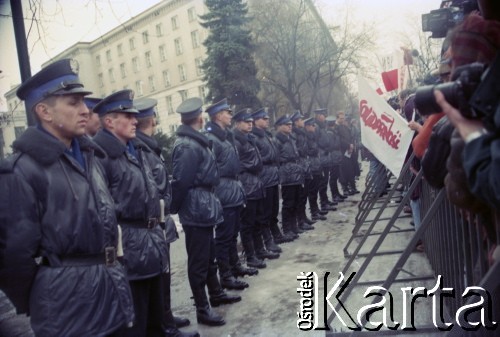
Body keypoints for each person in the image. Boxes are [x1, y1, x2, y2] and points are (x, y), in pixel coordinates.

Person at [0, 59, 134, 336]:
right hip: (66, 307)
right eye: (73, 103)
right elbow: (13, 256)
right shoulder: (22, 170)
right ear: (44, 112)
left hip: (109, 289)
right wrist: (46, 293)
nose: (85, 110)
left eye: (83, 103)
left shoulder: (89, 156)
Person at [93, 90, 169, 337]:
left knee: (155, 322)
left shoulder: (134, 149)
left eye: (135, 116)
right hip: (130, 252)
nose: (136, 120)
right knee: (137, 325)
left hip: (150, 244)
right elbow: (103, 210)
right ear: (109, 121)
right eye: (127, 116)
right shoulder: (101, 156)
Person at [171, 97, 240, 327]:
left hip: (203, 204)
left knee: (208, 256)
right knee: (199, 262)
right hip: (196, 206)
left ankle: (216, 293)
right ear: (199, 118)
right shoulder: (187, 145)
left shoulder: (195, 142)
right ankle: (202, 308)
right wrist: (176, 207)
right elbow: (181, 182)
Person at [134, 97, 198, 337]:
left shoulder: (149, 146)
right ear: (152, 118)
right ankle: (164, 324)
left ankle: (166, 316)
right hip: (153, 222)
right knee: (159, 277)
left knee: (165, 274)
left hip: (160, 221)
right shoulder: (143, 148)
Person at [204, 98, 255, 289]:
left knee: (233, 232)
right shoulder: (212, 138)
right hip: (223, 191)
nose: (230, 115)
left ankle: (235, 267)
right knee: (224, 236)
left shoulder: (225, 136)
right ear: (218, 116)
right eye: (227, 112)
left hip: (233, 188)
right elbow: (211, 168)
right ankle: (225, 275)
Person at [233, 108, 278, 267]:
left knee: (259, 219)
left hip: (256, 183)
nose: (250, 125)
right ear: (238, 123)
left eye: (251, 122)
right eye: (246, 122)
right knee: (248, 224)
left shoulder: (248, 138)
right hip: (247, 185)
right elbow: (239, 165)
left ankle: (259, 250)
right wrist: (255, 165)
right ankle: (250, 256)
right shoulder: (237, 141)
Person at [252, 107, 296, 243]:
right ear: (255, 121)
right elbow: (258, 158)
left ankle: (275, 233)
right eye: (264, 119)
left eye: (267, 118)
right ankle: (268, 239)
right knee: (265, 211)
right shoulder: (254, 137)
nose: (267, 120)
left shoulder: (266, 135)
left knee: (273, 209)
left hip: (272, 175)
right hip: (264, 176)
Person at [274, 115, 305, 238]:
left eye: (290, 125)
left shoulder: (290, 138)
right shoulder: (277, 140)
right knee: (288, 203)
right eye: (287, 125)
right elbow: (277, 158)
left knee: (296, 201)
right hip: (287, 175)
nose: (290, 127)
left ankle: (293, 226)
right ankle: (287, 228)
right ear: (280, 126)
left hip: (295, 173)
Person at [290, 110, 315, 230]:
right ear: (295, 122)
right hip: (300, 164)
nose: (302, 121)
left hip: (305, 164)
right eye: (300, 120)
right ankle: (300, 220)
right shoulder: (294, 134)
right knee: (300, 195)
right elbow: (296, 150)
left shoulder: (301, 133)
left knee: (304, 194)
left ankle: (303, 217)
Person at [303, 117, 328, 221]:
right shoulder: (305, 138)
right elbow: (305, 151)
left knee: (316, 189)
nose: (314, 127)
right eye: (312, 125)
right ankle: (313, 212)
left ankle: (316, 210)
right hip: (311, 166)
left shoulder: (312, 136)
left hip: (316, 165)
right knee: (312, 191)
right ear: (307, 126)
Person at [313, 108, 338, 211]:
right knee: (322, 182)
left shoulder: (322, 126)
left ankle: (325, 200)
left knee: (325, 181)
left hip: (326, 157)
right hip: (322, 157)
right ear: (319, 116)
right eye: (323, 114)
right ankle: (323, 204)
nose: (325, 116)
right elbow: (315, 141)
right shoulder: (317, 127)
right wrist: (324, 149)